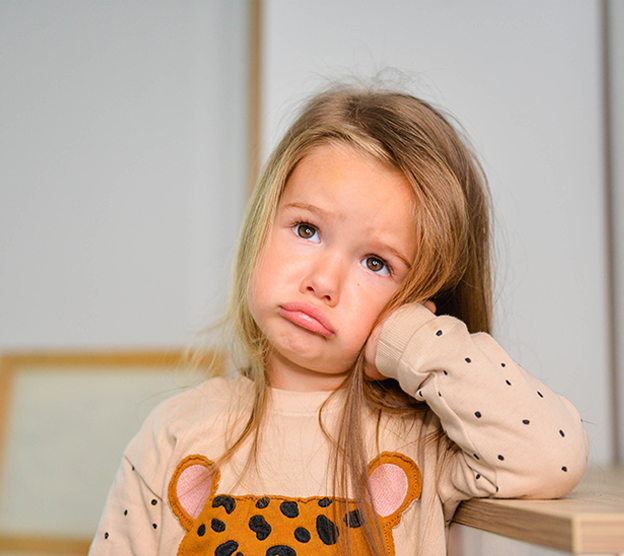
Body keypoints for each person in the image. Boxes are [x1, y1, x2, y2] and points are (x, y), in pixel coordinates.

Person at [89, 84, 589, 556]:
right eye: (306, 229)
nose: (323, 281)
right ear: (262, 222)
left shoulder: (426, 439)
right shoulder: (176, 432)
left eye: (377, 263)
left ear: (418, 299)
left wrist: (410, 338)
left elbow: (552, 456)